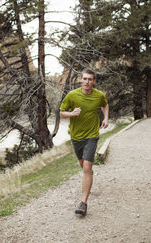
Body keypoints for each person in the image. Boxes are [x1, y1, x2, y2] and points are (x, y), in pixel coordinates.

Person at [60, 68, 109, 216]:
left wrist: (106, 118)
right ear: (81, 80)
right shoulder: (72, 95)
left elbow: (105, 105)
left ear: (94, 81)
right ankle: (89, 174)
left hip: (92, 135)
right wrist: (71, 113)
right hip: (76, 136)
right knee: (83, 165)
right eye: (85, 79)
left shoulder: (98, 95)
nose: (87, 82)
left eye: (90, 79)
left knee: (87, 167)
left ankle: (84, 203)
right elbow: (61, 112)